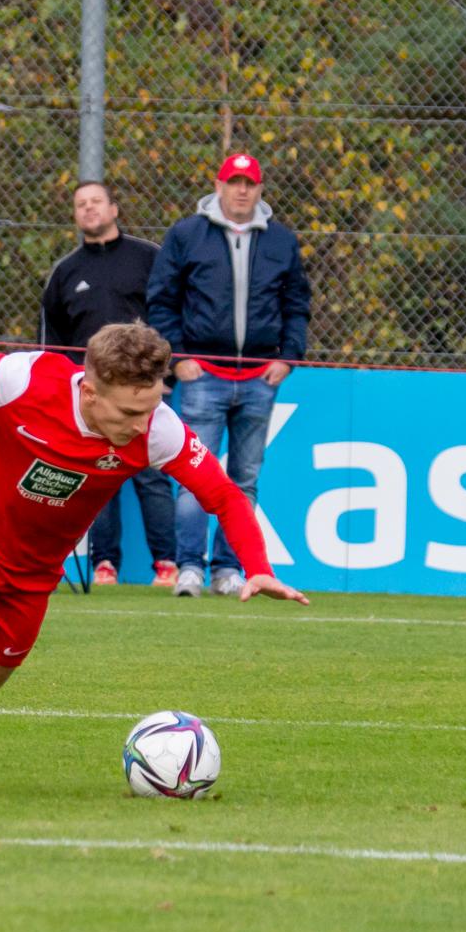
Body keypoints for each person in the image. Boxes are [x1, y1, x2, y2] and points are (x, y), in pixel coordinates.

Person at [0, 319, 307, 789]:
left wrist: (258, 568)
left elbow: (223, 495)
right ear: (89, 392)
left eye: (151, 407)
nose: (142, 424)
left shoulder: (159, 429)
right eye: (129, 412)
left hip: (32, 573)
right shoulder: (25, 380)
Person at [147, 152, 311, 598]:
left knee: (244, 480)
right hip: (202, 376)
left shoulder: (281, 240)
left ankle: (228, 569)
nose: (242, 190)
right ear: (218, 186)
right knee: (193, 475)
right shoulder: (186, 234)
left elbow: (297, 304)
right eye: (234, 182)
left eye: (249, 183)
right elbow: (162, 300)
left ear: (260, 189)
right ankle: (188, 567)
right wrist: (178, 357)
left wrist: (288, 357)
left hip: (260, 379)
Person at [40, 180, 175, 588]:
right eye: (81, 203)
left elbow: (171, 314)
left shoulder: (149, 258)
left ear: (114, 209)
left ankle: (167, 563)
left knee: (152, 474)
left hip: (142, 391)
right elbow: (51, 340)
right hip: (91, 397)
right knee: (97, 476)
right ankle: (104, 564)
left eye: (96, 201)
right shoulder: (64, 272)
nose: (89, 208)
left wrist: (165, 374)